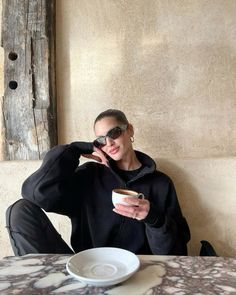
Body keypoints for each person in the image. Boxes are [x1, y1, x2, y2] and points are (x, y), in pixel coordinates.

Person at [6, 109, 190, 256]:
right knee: (20, 210)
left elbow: (175, 253)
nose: (109, 143)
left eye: (115, 133)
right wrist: (74, 149)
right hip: (86, 269)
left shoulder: (160, 183)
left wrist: (154, 218)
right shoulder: (89, 176)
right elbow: (36, 193)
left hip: (137, 272)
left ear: (130, 130)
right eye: (100, 140)